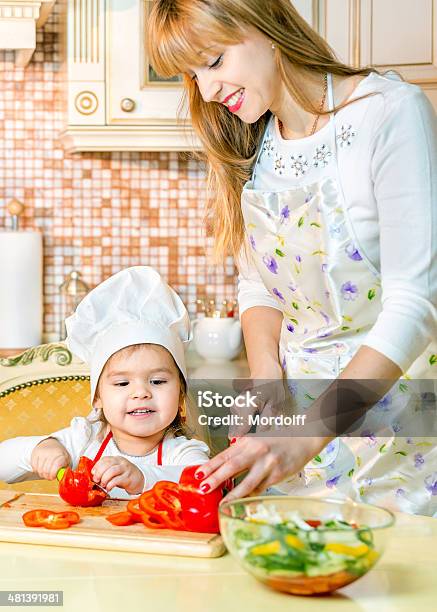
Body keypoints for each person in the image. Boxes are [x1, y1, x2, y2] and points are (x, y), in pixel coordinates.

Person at [147, 0, 437, 514]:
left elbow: (416, 304)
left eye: (212, 62)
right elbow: (260, 286)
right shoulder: (251, 143)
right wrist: (266, 380)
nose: (207, 90)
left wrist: (304, 435)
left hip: (402, 438)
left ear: (264, 25)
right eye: (193, 76)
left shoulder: (387, 112)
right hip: (299, 443)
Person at [0, 267, 210, 499]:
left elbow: (204, 484)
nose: (140, 392)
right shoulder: (86, 439)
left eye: (158, 381)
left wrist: (142, 477)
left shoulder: (182, 452)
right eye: (122, 383)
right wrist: (38, 450)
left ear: (180, 394)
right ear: (97, 397)